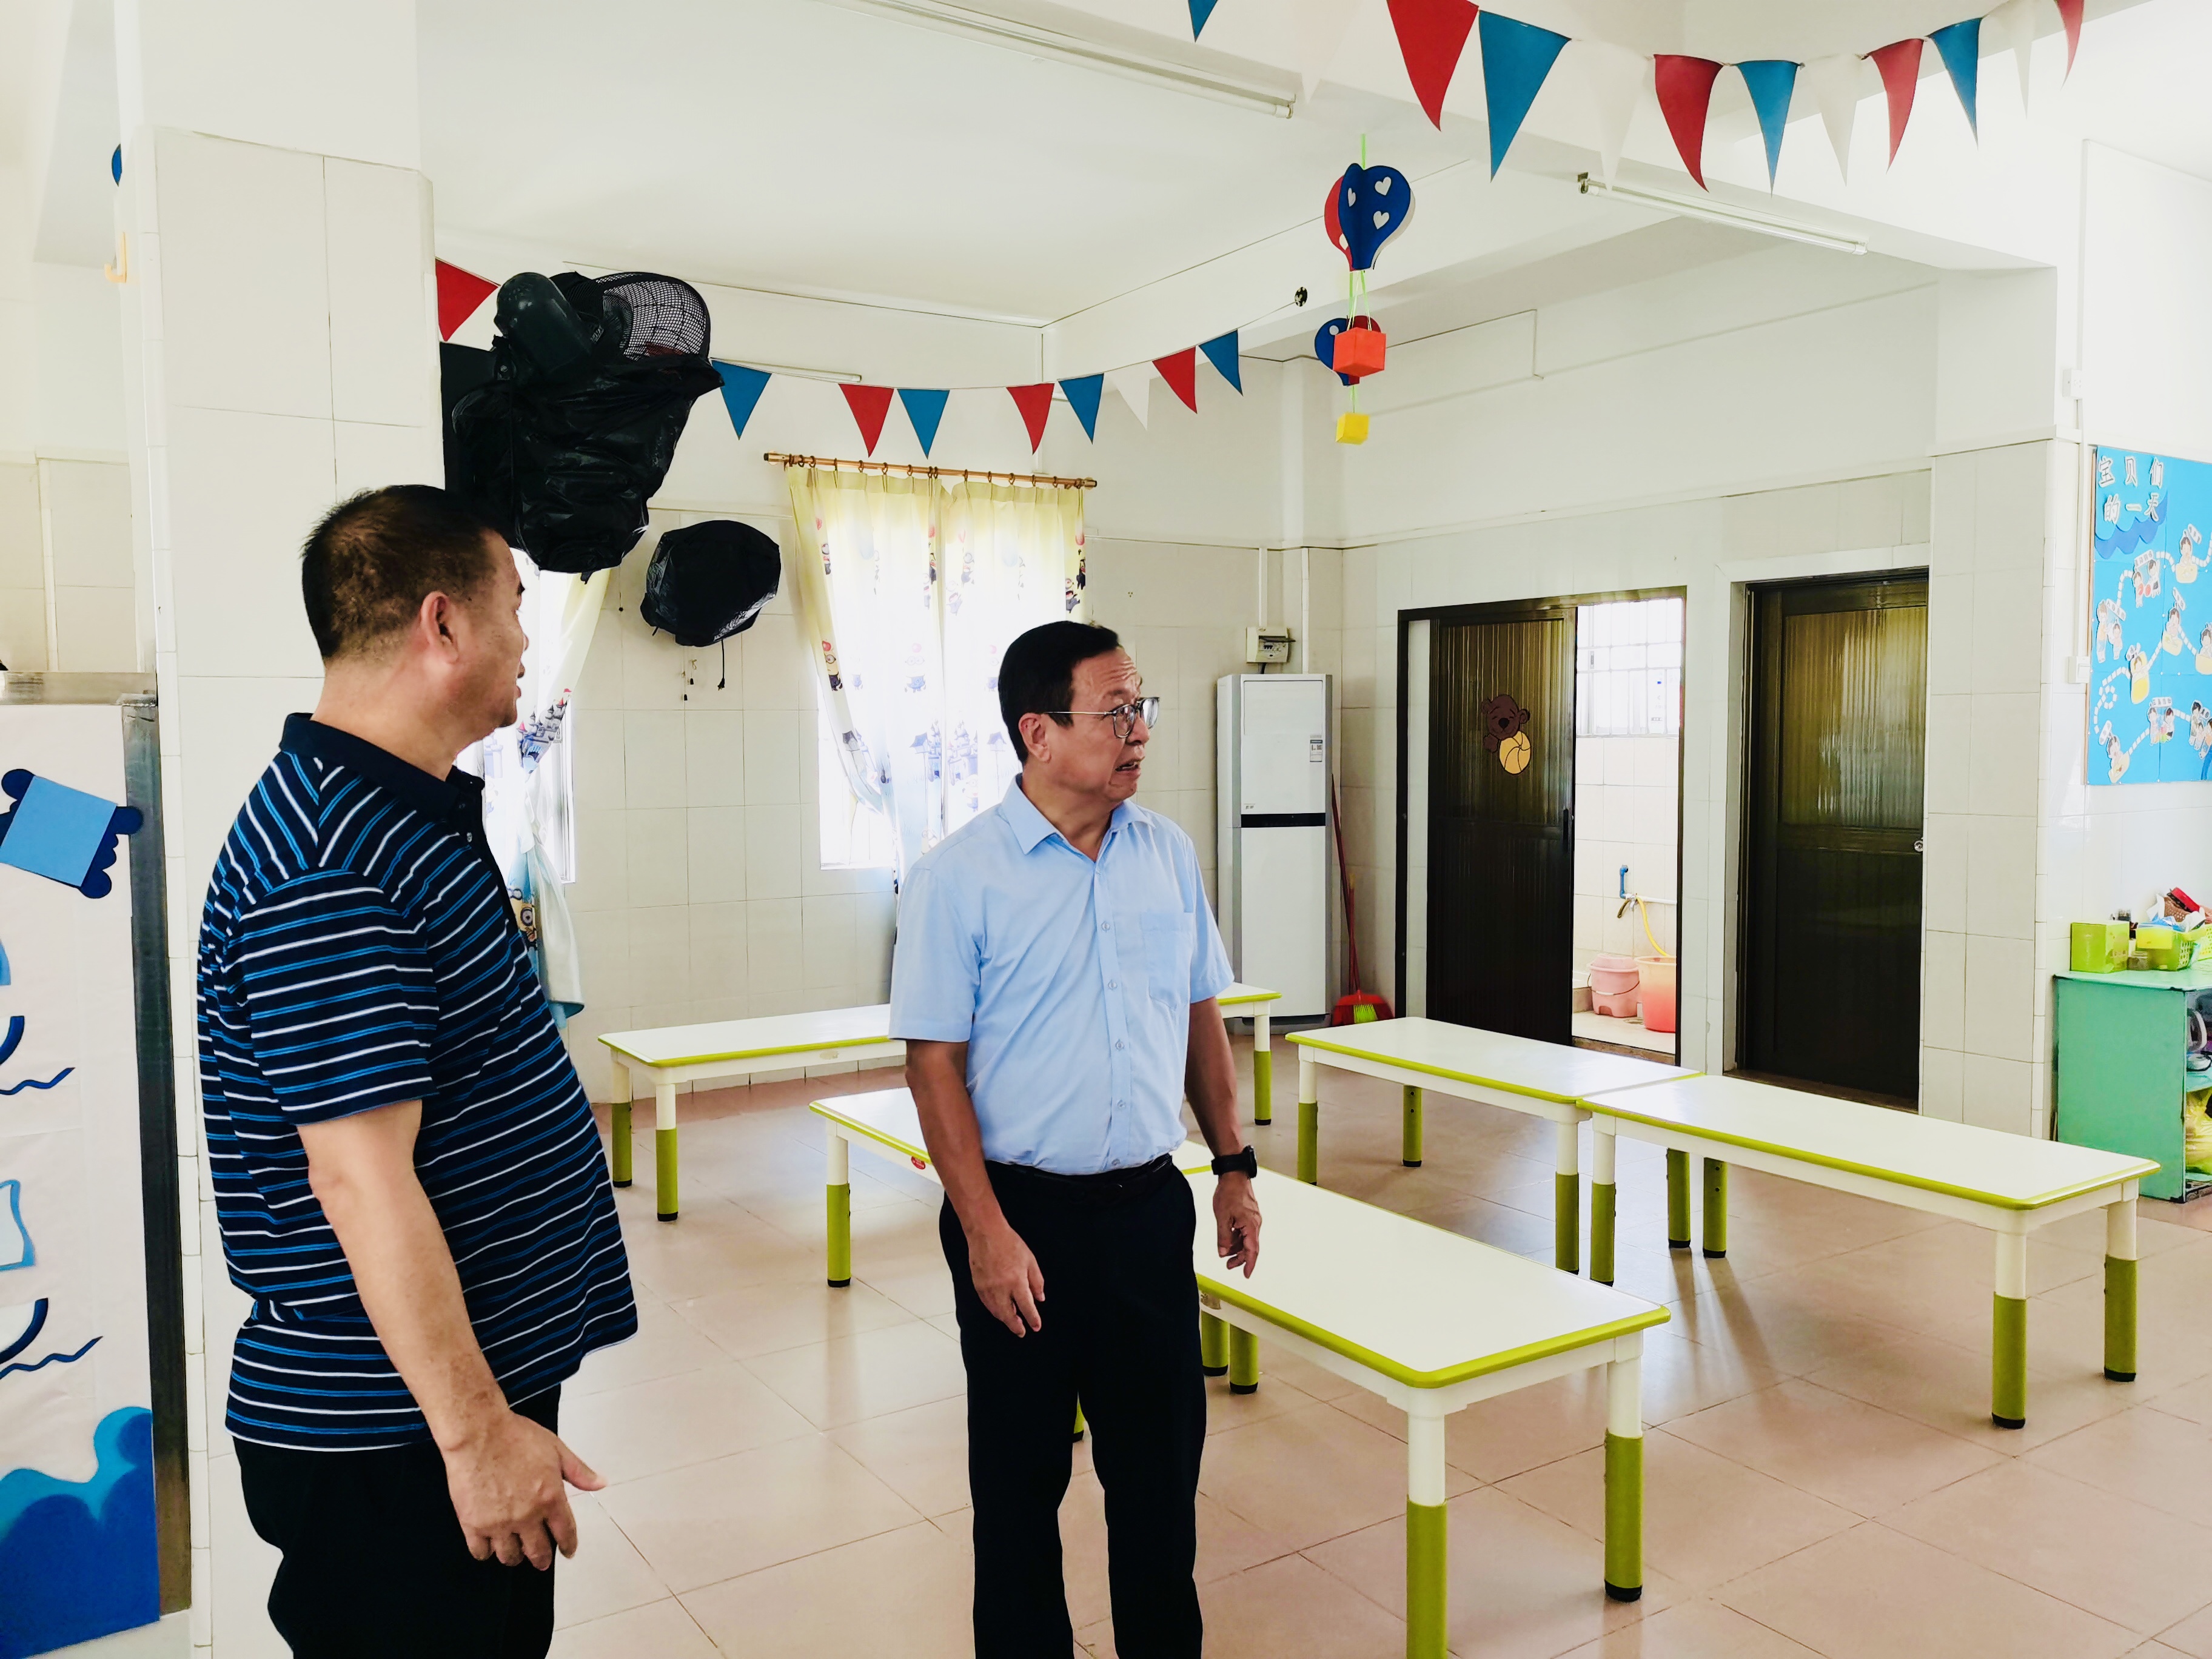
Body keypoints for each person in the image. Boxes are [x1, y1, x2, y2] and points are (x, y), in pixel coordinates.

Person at [196, 485, 637, 1658]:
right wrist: (476, 1433)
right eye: (516, 607)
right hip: (396, 1433)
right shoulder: (331, 860)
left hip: (440, 1402)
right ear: (443, 623)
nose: (529, 639)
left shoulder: (402, 812)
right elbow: (360, 1181)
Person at [891, 619, 1263, 1658]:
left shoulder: (1166, 852)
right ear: (1038, 733)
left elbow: (1200, 1014)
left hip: (1147, 1215)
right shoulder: (958, 877)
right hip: (1024, 1223)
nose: (1139, 731)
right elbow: (933, 1067)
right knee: (1019, 1494)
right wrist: (985, 1232)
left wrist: (1233, 1167)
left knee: (1160, 1487)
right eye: (1116, 712)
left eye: (1143, 709)